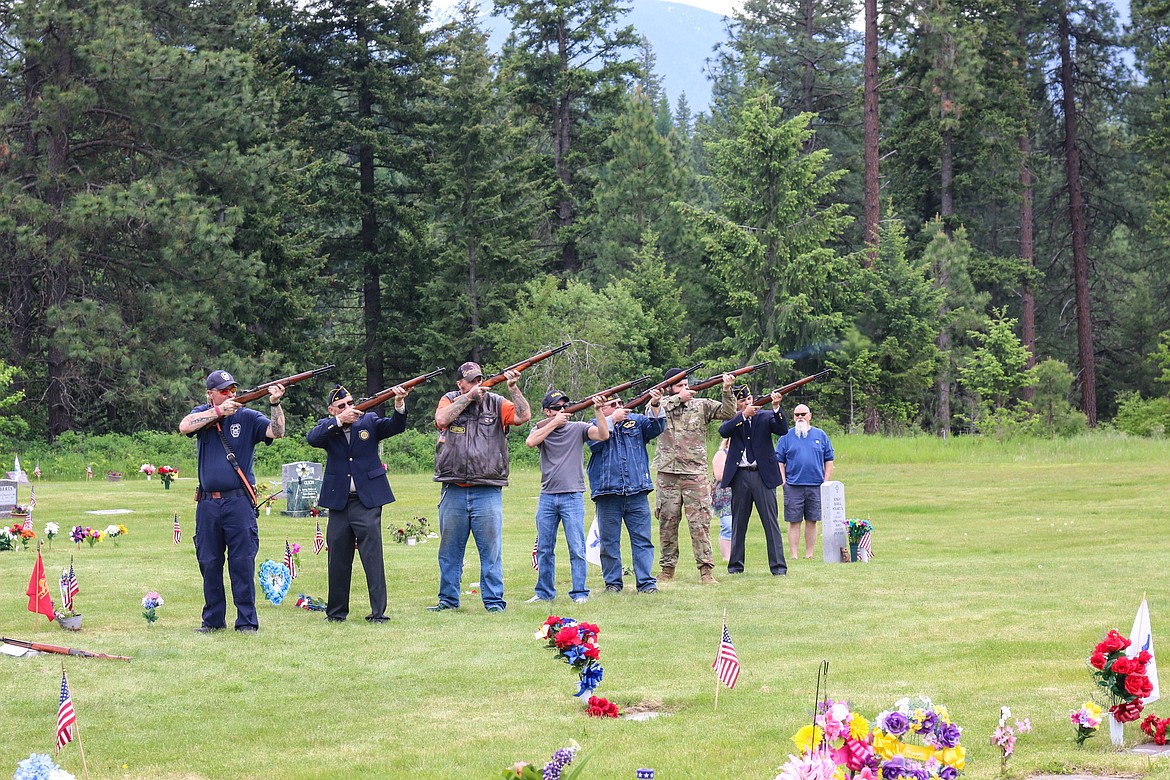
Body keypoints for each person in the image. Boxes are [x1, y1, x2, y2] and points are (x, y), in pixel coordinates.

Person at [179, 369, 286, 633]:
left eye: (233, 390)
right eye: (224, 391)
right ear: (210, 394)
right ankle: (213, 620)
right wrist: (218, 412)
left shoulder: (248, 417)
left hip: (238, 502)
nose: (230, 394)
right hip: (207, 503)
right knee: (209, 561)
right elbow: (184, 426)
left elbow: (277, 431)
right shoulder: (203, 414)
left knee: (242, 561)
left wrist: (275, 404)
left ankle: (247, 621)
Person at [429, 361, 532, 613]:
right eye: (471, 380)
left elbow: (523, 416)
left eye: (479, 379)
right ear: (460, 384)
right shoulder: (450, 399)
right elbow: (442, 419)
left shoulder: (497, 402)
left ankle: (494, 603)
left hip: (487, 488)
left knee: (491, 552)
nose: (477, 384)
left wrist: (513, 388)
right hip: (453, 487)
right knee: (449, 551)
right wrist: (468, 398)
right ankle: (448, 601)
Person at [308, 382, 411, 624]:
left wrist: (398, 404)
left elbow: (396, 426)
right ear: (332, 410)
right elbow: (312, 438)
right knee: (338, 560)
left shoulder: (369, 421)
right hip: (339, 502)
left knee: (372, 557)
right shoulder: (328, 427)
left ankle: (378, 612)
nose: (349, 408)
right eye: (341, 405)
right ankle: (336, 613)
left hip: (367, 501)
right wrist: (339, 421)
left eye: (351, 403)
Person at [523, 390, 610, 604]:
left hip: (573, 495)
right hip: (547, 496)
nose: (562, 411)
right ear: (547, 411)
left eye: (564, 407)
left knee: (576, 547)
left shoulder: (578, 428)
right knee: (544, 548)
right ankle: (544, 593)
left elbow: (603, 435)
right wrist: (553, 423)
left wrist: (598, 410)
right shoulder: (541, 429)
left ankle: (579, 592)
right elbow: (530, 442)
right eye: (556, 408)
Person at [653, 369, 736, 584]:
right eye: (679, 386)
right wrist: (677, 398)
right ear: (669, 387)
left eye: (686, 385)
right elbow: (651, 411)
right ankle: (667, 569)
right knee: (667, 522)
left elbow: (728, 413)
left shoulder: (702, 405)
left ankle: (706, 570)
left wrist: (727, 390)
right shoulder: (661, 404)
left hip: (695, 474)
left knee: (700, 522)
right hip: (667, 475)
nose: (685, 389)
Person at [586, 390, 665, 593]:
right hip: (607, 492)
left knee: (642, 541)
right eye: (613, 404)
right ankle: (613, 583)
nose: (619, 406)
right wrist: (611, 420)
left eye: (621, 402)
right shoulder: (592, 425)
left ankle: (646, 583)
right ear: (602, 409)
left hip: (637, 491)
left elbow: (657, 427)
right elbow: (595, 443)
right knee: (609, 542)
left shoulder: (637, 421)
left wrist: (655, 404)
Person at [717, 386, 788, 575]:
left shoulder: (765, 416)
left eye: (748, 400)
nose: (747, 404)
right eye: (742, 401)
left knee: (771, 523)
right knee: (738, 524)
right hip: (740, 475)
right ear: (736, 404)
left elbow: (782, 429)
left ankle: (779, 567)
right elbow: (723, 431)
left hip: (762, 475)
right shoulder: (733, 418)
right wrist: (742, 416)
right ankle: (735, 566)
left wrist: (776, 407)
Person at [776, 403, 835, 560]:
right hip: (793, 486)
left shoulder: (820, 435)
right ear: (793, 417)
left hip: (816, 485)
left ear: (810, 415)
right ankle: (794, 554)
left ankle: (809, 554)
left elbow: (829, 459)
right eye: (797, 415)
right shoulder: (786, 437)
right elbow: (779, 461)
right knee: (794, 521)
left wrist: (825, 481)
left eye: (803, 414)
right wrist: (783, 482)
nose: (800, 417)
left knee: (812, 520)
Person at [711, 440, 733, 563]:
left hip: (738, 493)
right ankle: (726, 557)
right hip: (723, 495)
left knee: (736, 526)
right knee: (727, 525)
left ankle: (735, 555)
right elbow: (719, 475)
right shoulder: (721, 454)